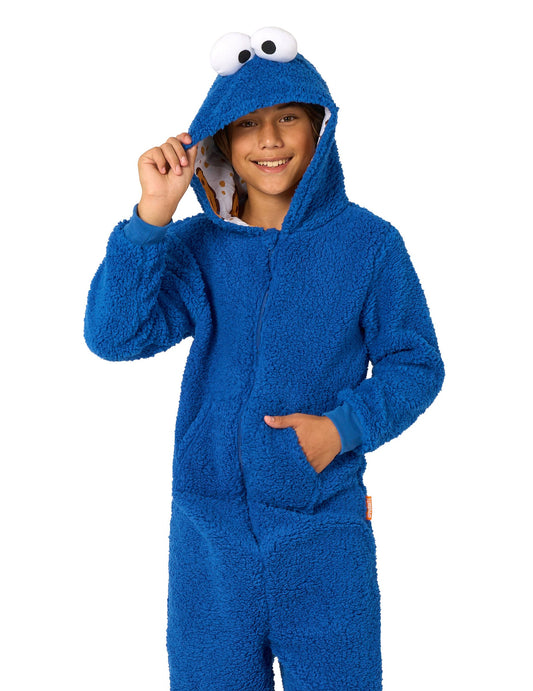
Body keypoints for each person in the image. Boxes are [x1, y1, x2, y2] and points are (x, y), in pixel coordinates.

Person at [84, 27, 445, 691]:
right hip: (209, 536)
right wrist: (151, 218)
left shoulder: (369, 244)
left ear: (318, 128)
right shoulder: (195, 246)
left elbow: (415, 363)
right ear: (220, 141)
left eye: (288, 119)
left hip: (323, 532)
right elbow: (114, 334)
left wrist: (340, 428)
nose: (270, 140)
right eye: (248, 124)